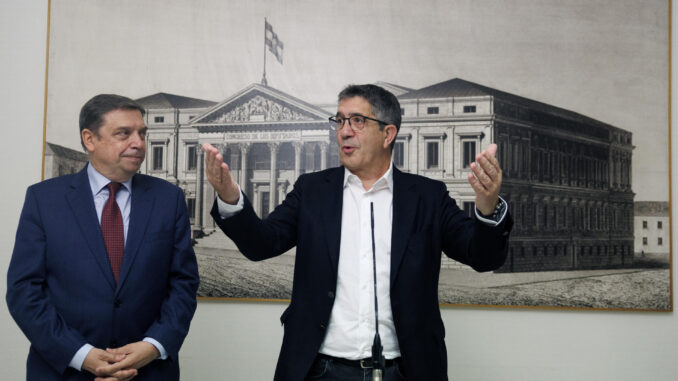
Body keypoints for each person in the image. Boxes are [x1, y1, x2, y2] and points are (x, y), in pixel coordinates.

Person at [203, 84, 512, 380]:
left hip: (406, 370)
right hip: (319, 370)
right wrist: (231, 197)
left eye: (357, 121)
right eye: (339, 121)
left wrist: (486, 209)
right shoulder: (312, 191)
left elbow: (483, 256)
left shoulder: (427, 197)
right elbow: (261, 244)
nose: (344, 130)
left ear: (388, 133)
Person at [6, 94, 200, 381]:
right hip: (64, 371)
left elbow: (183, 284)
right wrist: (80, 354)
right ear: (90, 139)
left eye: (142, 133)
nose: (139, 143)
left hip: (148, 372)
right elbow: (24, 291)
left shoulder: (168, 199)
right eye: (124, 133)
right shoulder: (44, 199)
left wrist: (153, 346)